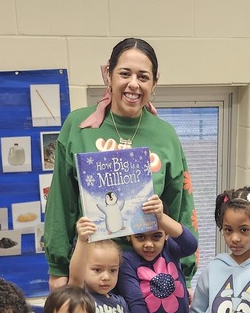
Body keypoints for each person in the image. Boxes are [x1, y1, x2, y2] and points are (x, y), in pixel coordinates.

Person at [44, 38, 197, 291]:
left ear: (154, 82)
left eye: (143, 76)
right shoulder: (78, 127)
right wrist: (58, 268)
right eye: (125, 73)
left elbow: (181, 207)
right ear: (108, 75)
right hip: (93, 272)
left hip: (149, 271)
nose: (133, 84)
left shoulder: (165, 135)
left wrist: (186, 272)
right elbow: (61, 203)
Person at [68, 217, 142, 313]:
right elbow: (75, 278)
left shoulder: (121, 303)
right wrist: (82, 240)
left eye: (113, 270)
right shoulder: (81, 297)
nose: (106, 277)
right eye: (97, 270)